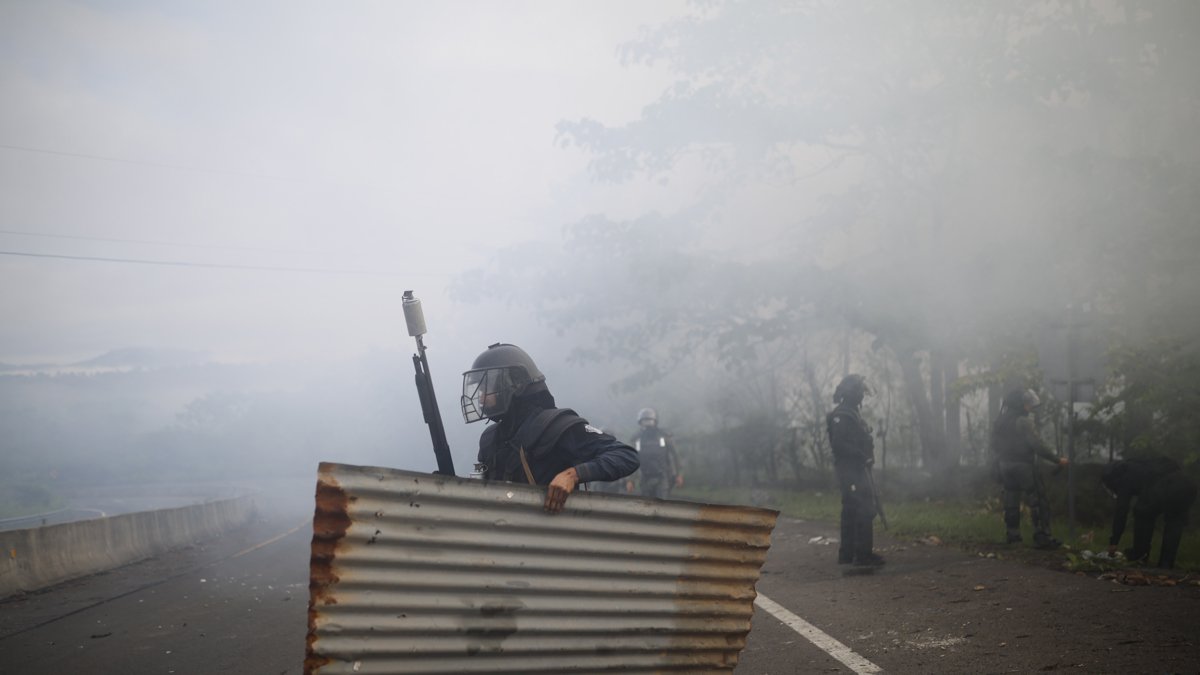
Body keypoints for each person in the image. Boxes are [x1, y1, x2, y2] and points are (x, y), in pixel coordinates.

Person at [461, 343, 639, 513]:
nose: (481, 399)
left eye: (487, 388)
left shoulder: (555, 426)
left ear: (515, 385)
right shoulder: (490, 439)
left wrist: (573, 475)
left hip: (555, 537)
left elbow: (625, 455)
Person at [989, 388, 1068, 549]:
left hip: (1005, 466)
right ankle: (1043, 536)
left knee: (1011, 500)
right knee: (1038, 500)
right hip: (1023, 466)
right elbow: (1037, 445)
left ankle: (1013, 535)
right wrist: (1057, 459)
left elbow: (993, 445)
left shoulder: (1000, 421)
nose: (1029, 407)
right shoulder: (1023, 421)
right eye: (1026, 403)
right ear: (1019, 404)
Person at [826, 374, 884, 567]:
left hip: (856, 469)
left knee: (852, 510)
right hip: (850, 470)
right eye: (859, 391)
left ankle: (848, 554)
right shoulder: (842, 415)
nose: (862, 395)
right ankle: (862, 555)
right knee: (863, 509)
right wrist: (861, 455)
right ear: (851, 394)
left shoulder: (850, 413)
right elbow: (839, 444)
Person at [1101, 456, 1197, 569]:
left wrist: (1114, 541)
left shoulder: (1123, 476)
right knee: (1174, 524)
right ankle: (1166, 564)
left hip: (1166, 485)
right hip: (1187, 485)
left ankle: (1140, 557)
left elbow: (1122, 509)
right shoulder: (1141, 463)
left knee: (1142, 513)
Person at [629, 407, 683, 499]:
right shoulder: (637, 439)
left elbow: (675, 456)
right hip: (645, 478)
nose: (647, 424)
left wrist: (678, 474)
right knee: (646, 505)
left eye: (649, 421)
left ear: (655, 421)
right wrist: (631, 480)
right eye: (644, 421)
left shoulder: (664, 436)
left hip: (662, 477)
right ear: (640, 423)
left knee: (661, 504)